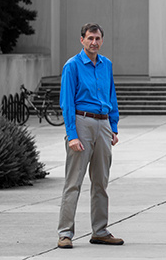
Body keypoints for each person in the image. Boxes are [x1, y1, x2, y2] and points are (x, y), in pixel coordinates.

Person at [57, 23, 123, 249]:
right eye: (90, 38)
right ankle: (65, 233)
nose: (94, 42)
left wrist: (113, 127)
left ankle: (100, 231)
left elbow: (111, 95)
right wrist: (72, 135)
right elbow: (66, 103)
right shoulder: (72, 66)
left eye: (97, 38)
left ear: (101, 41)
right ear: (82, 40)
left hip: (103, 125)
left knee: (101, 182)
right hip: (81, 122)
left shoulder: (107, 65)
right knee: (73, 183)